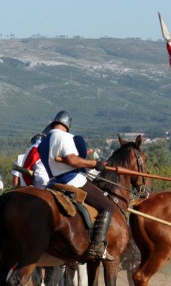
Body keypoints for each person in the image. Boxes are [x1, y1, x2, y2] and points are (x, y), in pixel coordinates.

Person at [38, 110, 117, 262]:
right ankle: (98, 246)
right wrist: (95, 164)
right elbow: (72, 160)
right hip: (72, 180)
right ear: (67, 125)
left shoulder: (43, 142)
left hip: (53, 183)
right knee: (107, 205)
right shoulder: (65, 137)